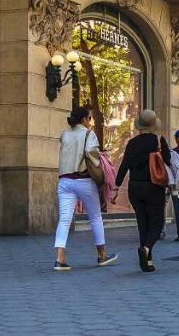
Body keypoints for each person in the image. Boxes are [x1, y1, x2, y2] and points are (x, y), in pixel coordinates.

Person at [54, 106, 117, 271]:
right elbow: (92, 153)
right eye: (89, 118)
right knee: (95, 217)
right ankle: (102, 255)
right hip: (84, 181)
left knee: (64, 220)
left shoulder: (64, 134)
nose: (90, 121)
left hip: (65, 181)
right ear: (83, 119)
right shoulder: (89, 134)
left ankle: (60, 258)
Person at [112, 109, 171, 272]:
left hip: (135, 188)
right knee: (157, 223)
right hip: (153, 186)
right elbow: (168, 160)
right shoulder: (158, 140)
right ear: (154, 125)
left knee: (143, 224)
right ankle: (145, 249)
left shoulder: (132, 143)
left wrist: (116, 187)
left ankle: (147, 262)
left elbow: (124, 166)